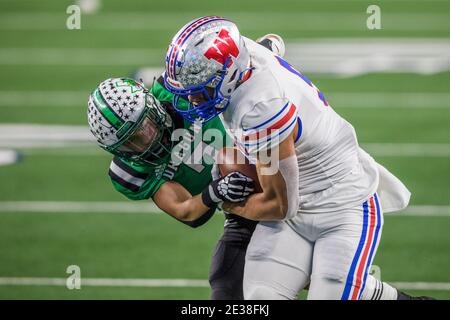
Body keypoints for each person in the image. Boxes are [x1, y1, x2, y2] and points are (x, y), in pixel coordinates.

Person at [162, 16, 434, 300]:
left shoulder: (260, 108)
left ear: (228, 75)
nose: (193, 100)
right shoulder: (247, 54)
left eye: (200, 89)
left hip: (343, 206)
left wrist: (226, 201)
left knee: (332, 294)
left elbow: (280, 205)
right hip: (297, 207)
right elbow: (272, 41)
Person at [86, 35, 288, 300]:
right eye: (132, 141)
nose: (146, 139)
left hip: (266, 159)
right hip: (237, 198)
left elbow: (226, 71)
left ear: (151, 104)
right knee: (226, 285)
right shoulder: (130, 173)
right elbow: (188, 211)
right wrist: (216, 192)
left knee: (300, 258)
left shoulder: (175, 88)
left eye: (144, 125)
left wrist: (260, 56)